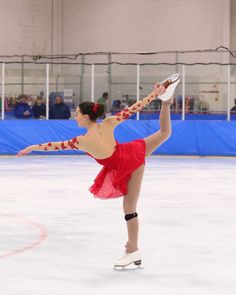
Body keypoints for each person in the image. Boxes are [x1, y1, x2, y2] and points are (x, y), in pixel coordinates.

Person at [17, 82, 174, 268]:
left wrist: (34, 147)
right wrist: (155, 95)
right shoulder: (107, 124)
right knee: (164, 133)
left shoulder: (82, 141)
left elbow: (55, 145)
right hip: (131, 152)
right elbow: (133, 109)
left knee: (129, 208)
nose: (75, 117)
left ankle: (133, 250)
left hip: (126, 163)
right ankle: (167, 103)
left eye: (77, 114)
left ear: (85, 117)